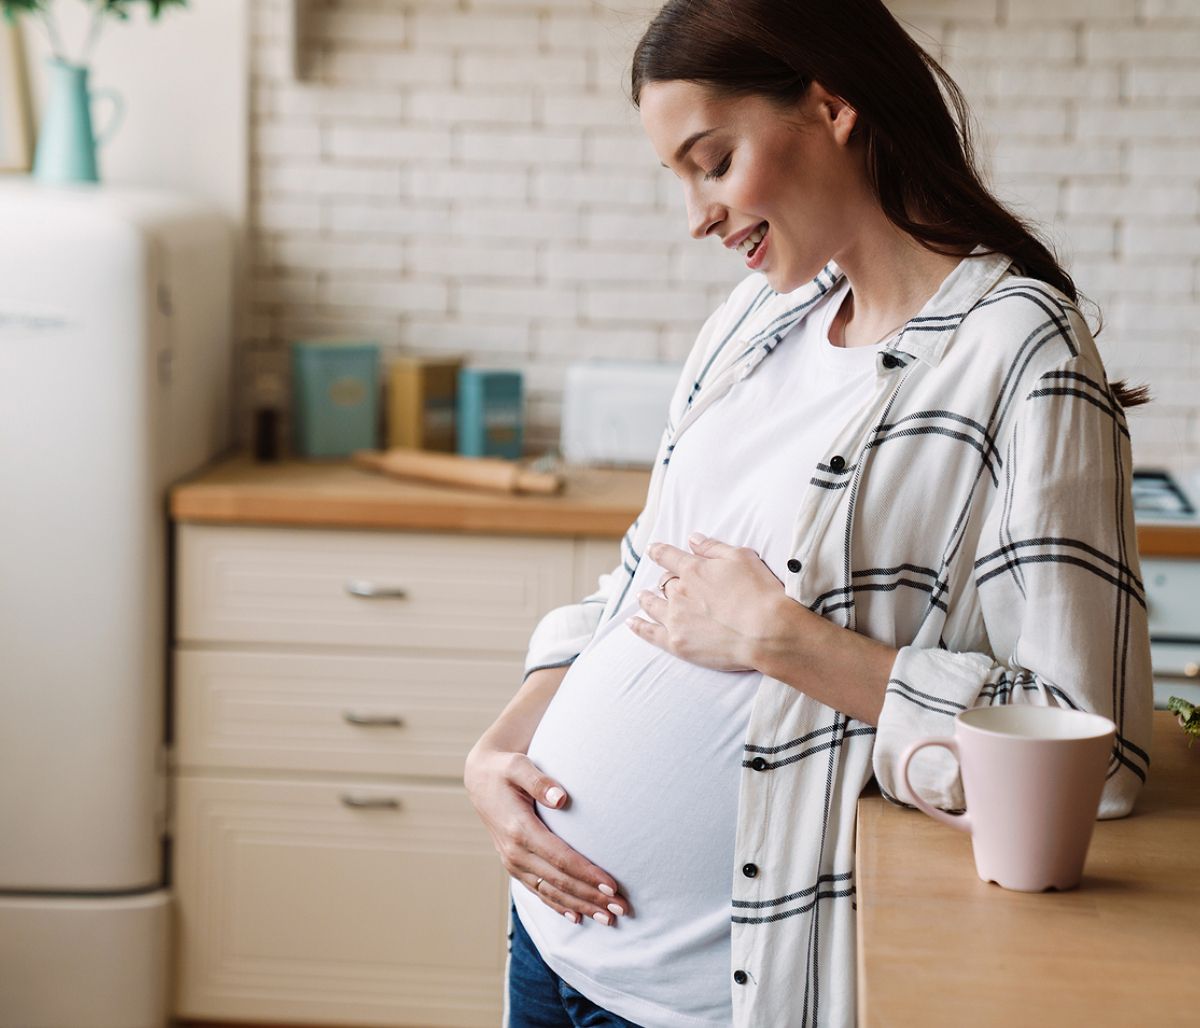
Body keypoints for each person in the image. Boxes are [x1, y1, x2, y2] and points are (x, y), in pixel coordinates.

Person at [464, 1, 1154, 1025]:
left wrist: (784, 640)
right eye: (681, 177)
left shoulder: (1016, 352)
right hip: (549, 944)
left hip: (711, 994)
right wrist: (505, 746)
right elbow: (641, 574)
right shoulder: (756, 318)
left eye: (713, 160)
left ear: (831, 107)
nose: (698, 213)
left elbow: (1087, 752)